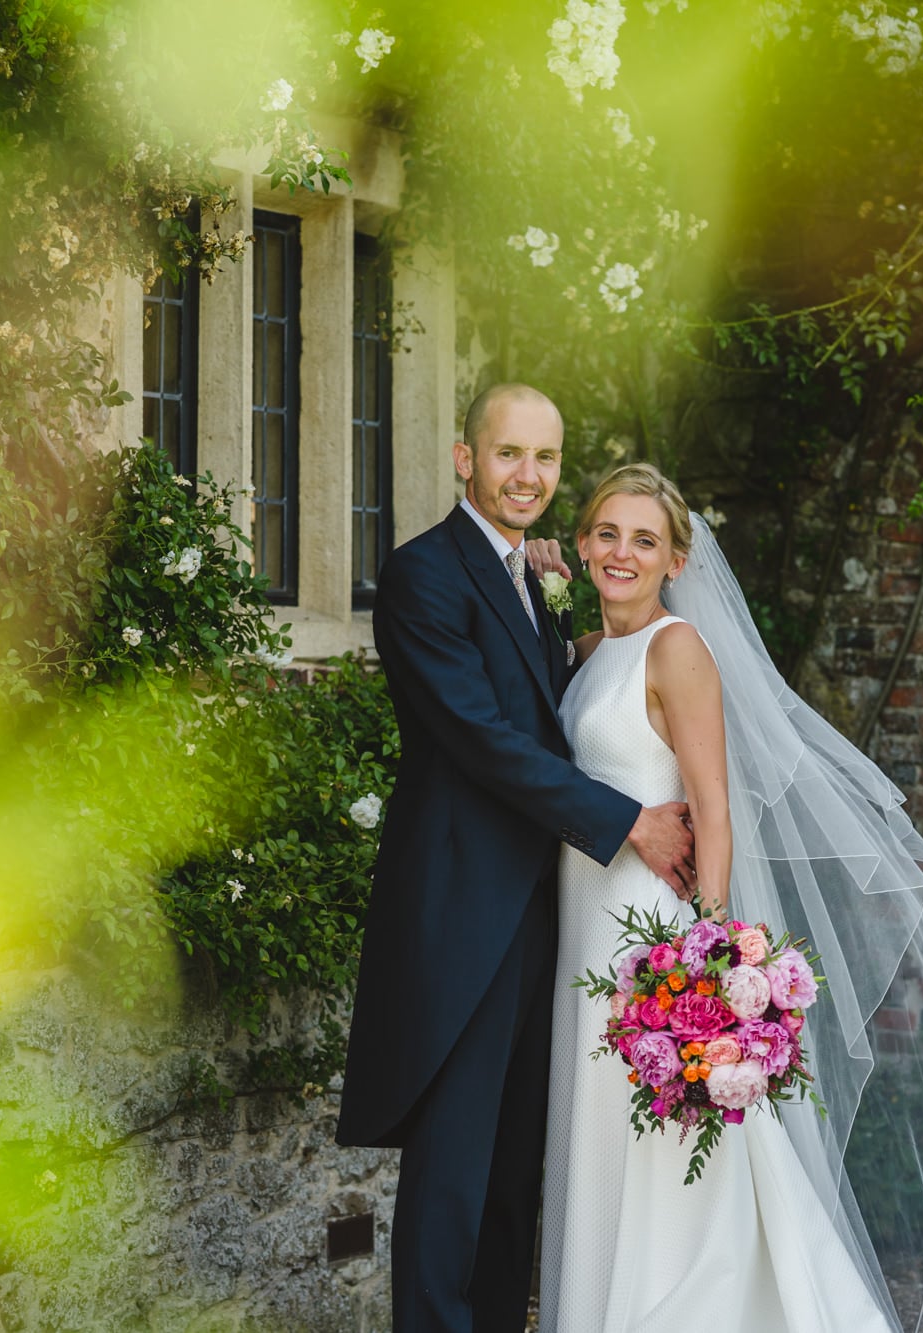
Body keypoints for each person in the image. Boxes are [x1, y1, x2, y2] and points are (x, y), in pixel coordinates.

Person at [533, 463, 923, 1332]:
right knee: (600, 1150)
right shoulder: (588, 653)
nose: (623, 552)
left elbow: (714, 804)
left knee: (667, 1156)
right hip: (582, 927)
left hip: (646, 940)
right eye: (608, 534)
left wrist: (708, 956)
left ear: (676, 559)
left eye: (645, 540)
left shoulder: (677, 648)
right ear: (584, 542)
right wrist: (541, 585)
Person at [335, 387, 698, 1333]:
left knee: (510, 1182)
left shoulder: (528, 578)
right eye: (508, 455)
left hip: (546, 917)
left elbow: (563, 706)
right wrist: (630, 822)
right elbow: (484, 739)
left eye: (544, 458)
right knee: (453, 1178)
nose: (527, 476)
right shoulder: (424, 575)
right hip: (463, 918)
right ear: (466, 459)